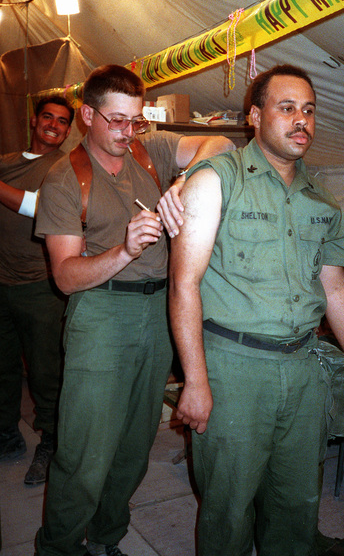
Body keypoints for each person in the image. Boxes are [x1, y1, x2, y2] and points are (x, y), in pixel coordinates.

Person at [168, 64, 344, 556]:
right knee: (228, 505)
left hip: (305, 369)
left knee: (296, 504)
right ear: (255, 116)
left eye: (309, 110)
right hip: (234, 369)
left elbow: (336, 290)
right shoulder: (217, 180)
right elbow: (184, 284)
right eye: (287, 108)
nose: (300, 120)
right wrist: (195, 381)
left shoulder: (321, 199)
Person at [34, 64, 235, 556]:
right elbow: (65, 276)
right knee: (85, 453)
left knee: (132, 448)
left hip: (158, 317)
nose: (128, 132)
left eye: (136, 120)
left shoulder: (150, 150)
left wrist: (183, 181)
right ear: (87, 116)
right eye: (117, 121)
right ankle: (57, 548)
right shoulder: (65, 180)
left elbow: (224, 145)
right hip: (100, 318)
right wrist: (123, 251)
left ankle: (106, 538)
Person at [0, 95, 74, 485]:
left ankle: (51, 441)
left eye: (63, 121)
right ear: (34, 119)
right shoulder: (8, 162)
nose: (54, 125)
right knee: (3, 366)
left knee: (46, 370)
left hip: (39, 285)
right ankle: (7, 434)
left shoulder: (64, 167)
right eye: (48, 117)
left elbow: (37, 207)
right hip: (1, 282)